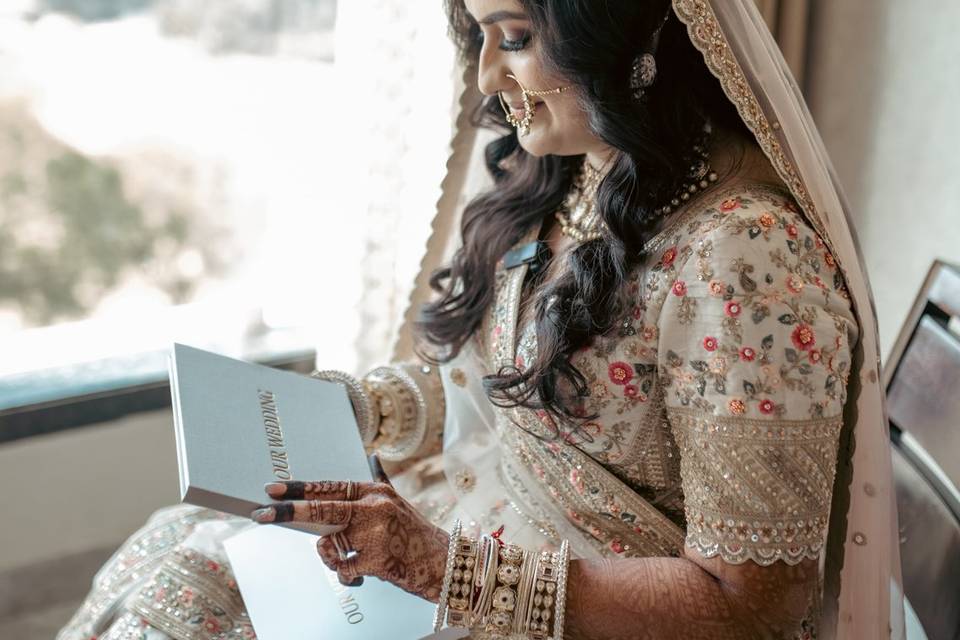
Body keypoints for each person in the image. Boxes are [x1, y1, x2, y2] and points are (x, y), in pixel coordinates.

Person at [58, 1, 905, 638]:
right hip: (472, 525)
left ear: (627, 29)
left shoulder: (750, 263)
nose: (487, 84)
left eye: (516, 38)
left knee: (193, 605)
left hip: (555, 604)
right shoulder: (578, 173)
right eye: (480, 38)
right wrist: (361, 412)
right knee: (178, 550)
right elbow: (503, 396)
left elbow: (749, 605)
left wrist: (438, 567)